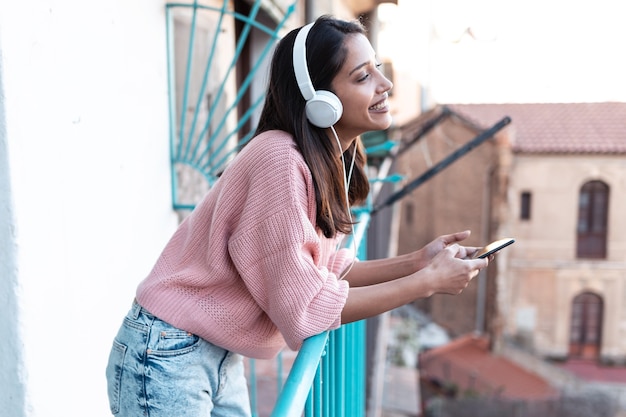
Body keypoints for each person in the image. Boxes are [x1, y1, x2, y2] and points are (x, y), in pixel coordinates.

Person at [105, 14, 489, 417]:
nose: (384, 83)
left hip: (210, 352)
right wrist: (425, 283)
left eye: (377, 68)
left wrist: (416, 262)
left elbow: (319, 271)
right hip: (169, 355)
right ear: (321, 100)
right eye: (362, 77)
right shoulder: (279, 161)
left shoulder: (319, 160)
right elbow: (305, 309)